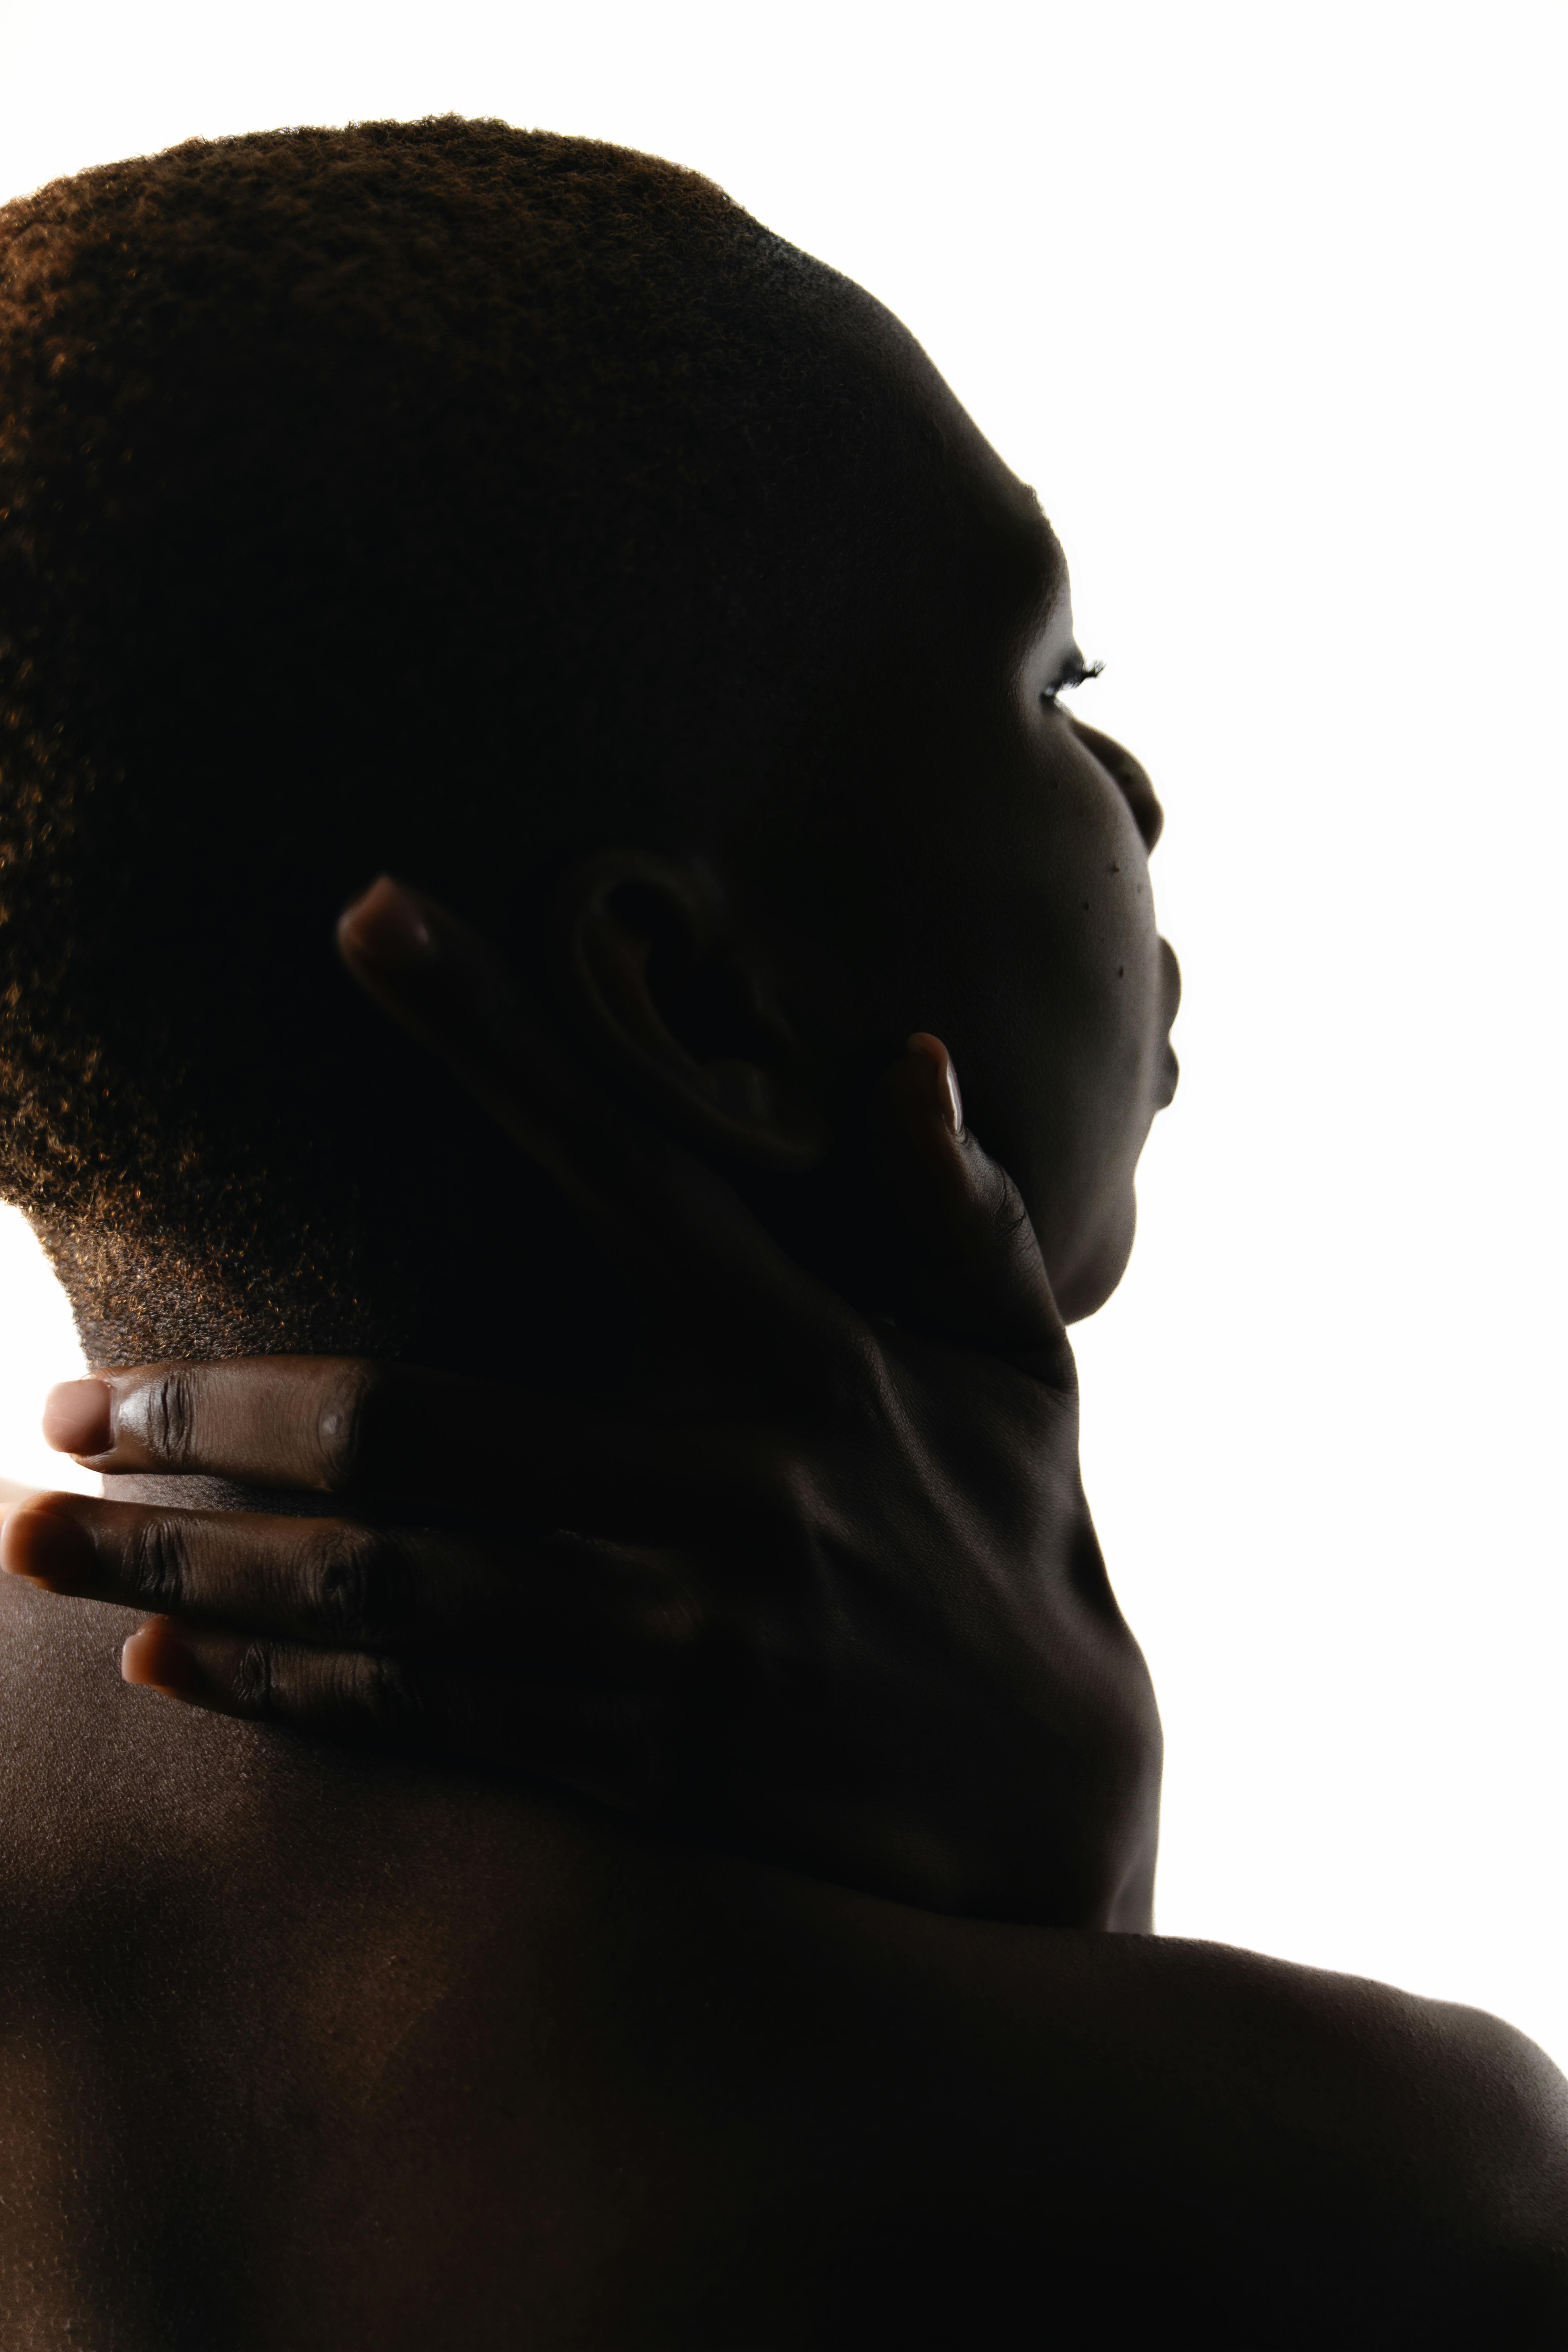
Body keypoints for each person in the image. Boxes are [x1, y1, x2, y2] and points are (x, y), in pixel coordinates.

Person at [0, 116, 1561, 2348]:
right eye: (1053, 685)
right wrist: (1079, 1916)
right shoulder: (1417, 2200)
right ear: (702, 1000)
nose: (1135, 800)